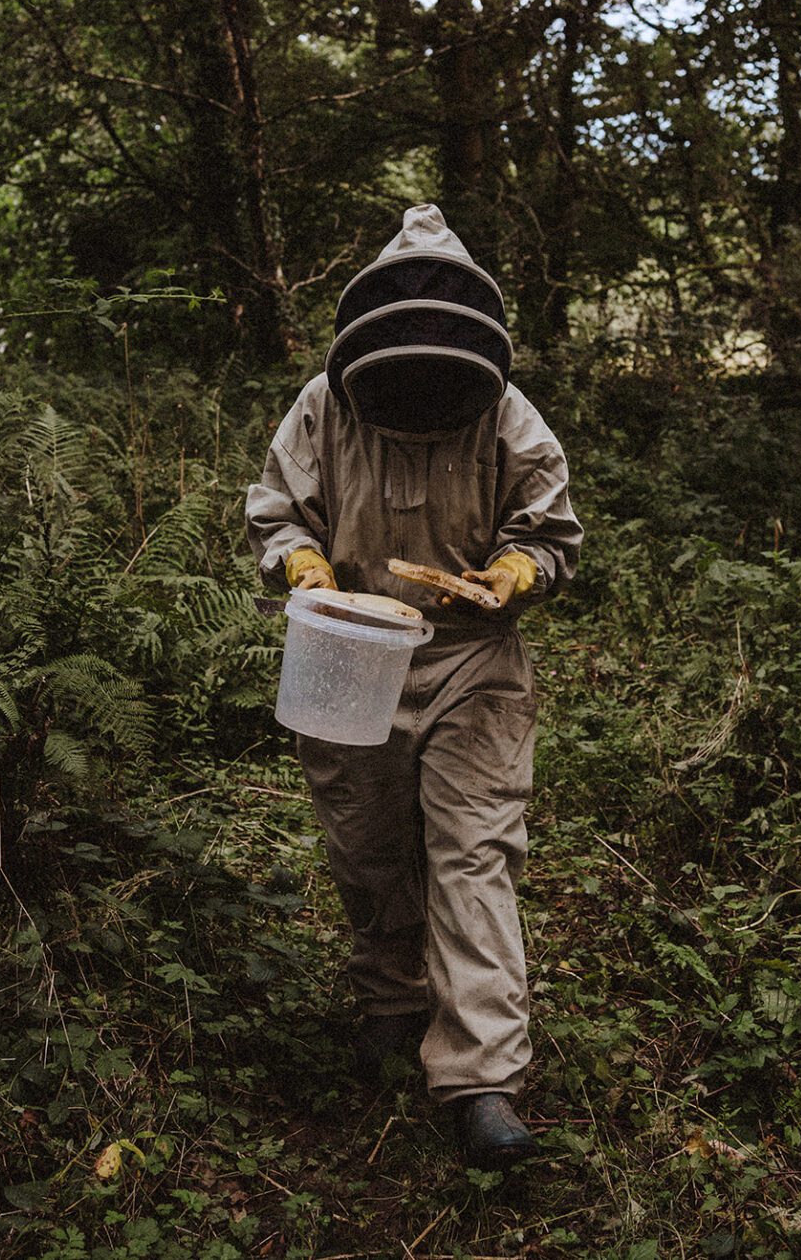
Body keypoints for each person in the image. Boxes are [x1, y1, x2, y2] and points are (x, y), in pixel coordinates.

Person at [245, 203, 582, 1169]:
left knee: (472, 853)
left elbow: (549, 531)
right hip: (347, 648)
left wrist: (515, 573)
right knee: (365, 840)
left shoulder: (512, 417)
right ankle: (392, 999)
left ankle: (481, 1077)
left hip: (475, 659)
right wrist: (304, 566)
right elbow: (277, 510)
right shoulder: (323, 403)